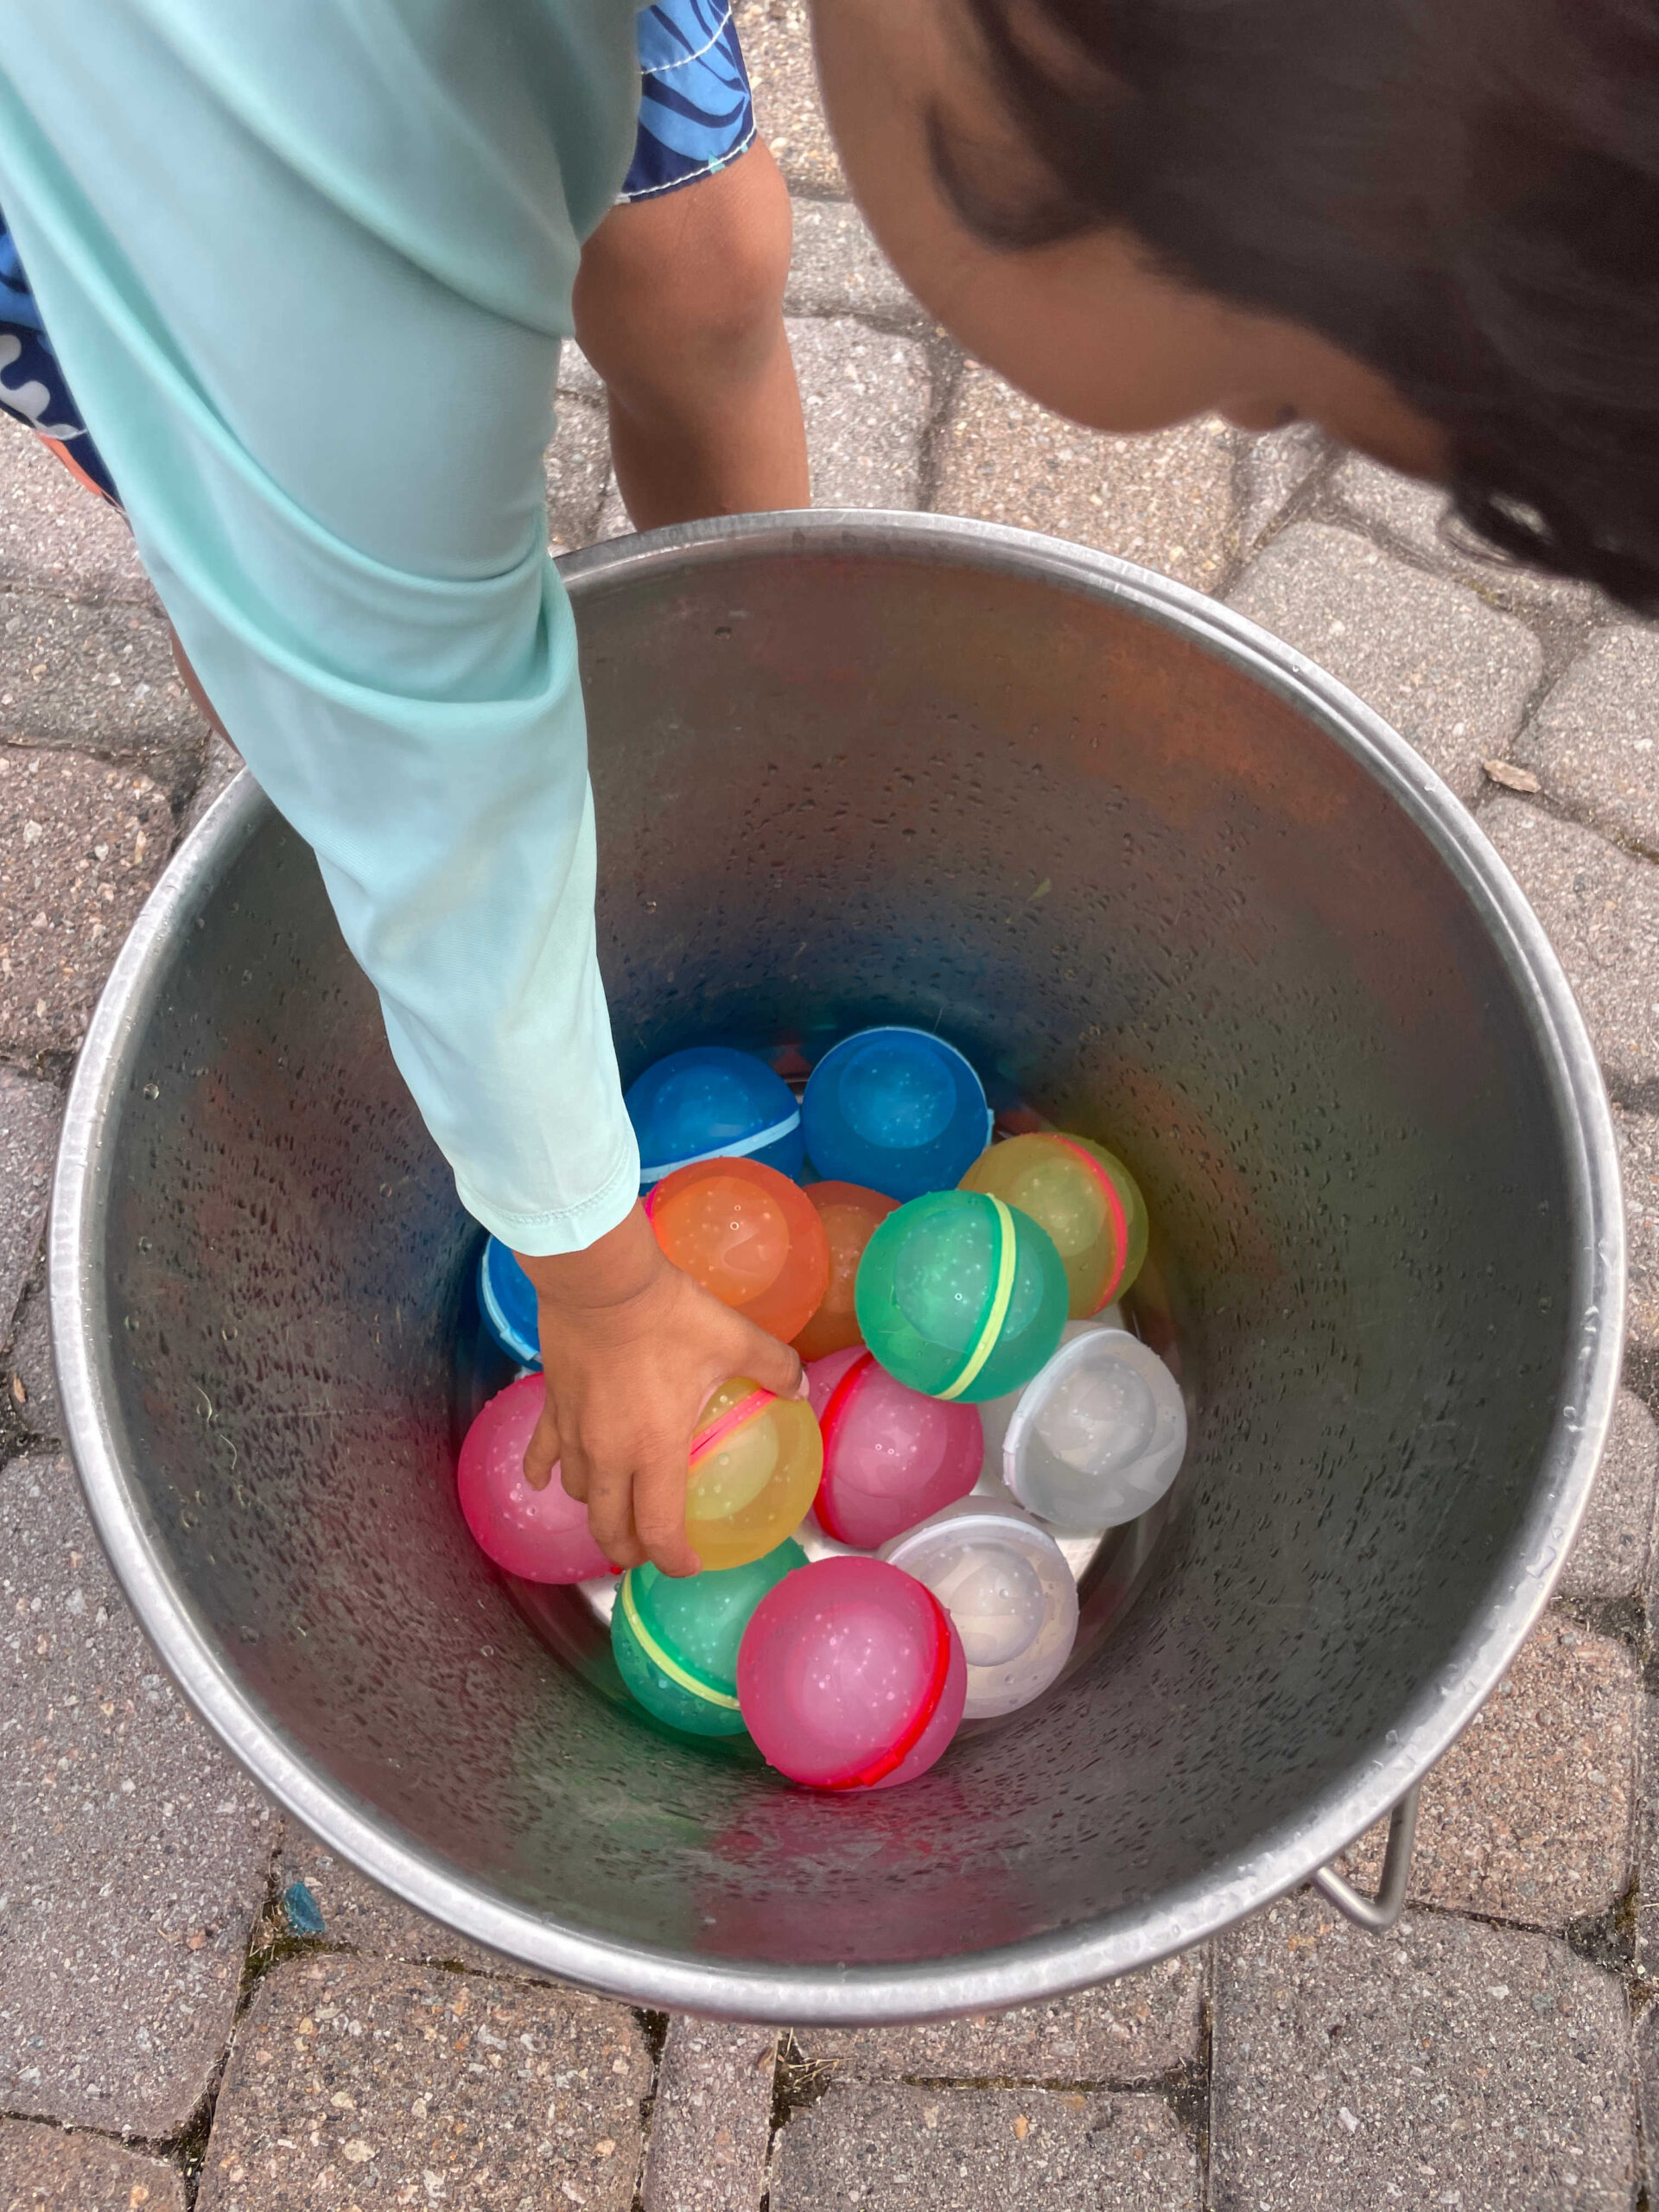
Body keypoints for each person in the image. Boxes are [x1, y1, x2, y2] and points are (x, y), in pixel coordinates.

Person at [0, 0, 1652, 1580]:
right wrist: (593, 1278)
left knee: (698, 260)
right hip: (164, 123)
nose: (1246, 419)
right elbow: (391, 709)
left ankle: (758, 731)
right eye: (1287, 387)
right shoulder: (314, 189)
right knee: (280, 569)